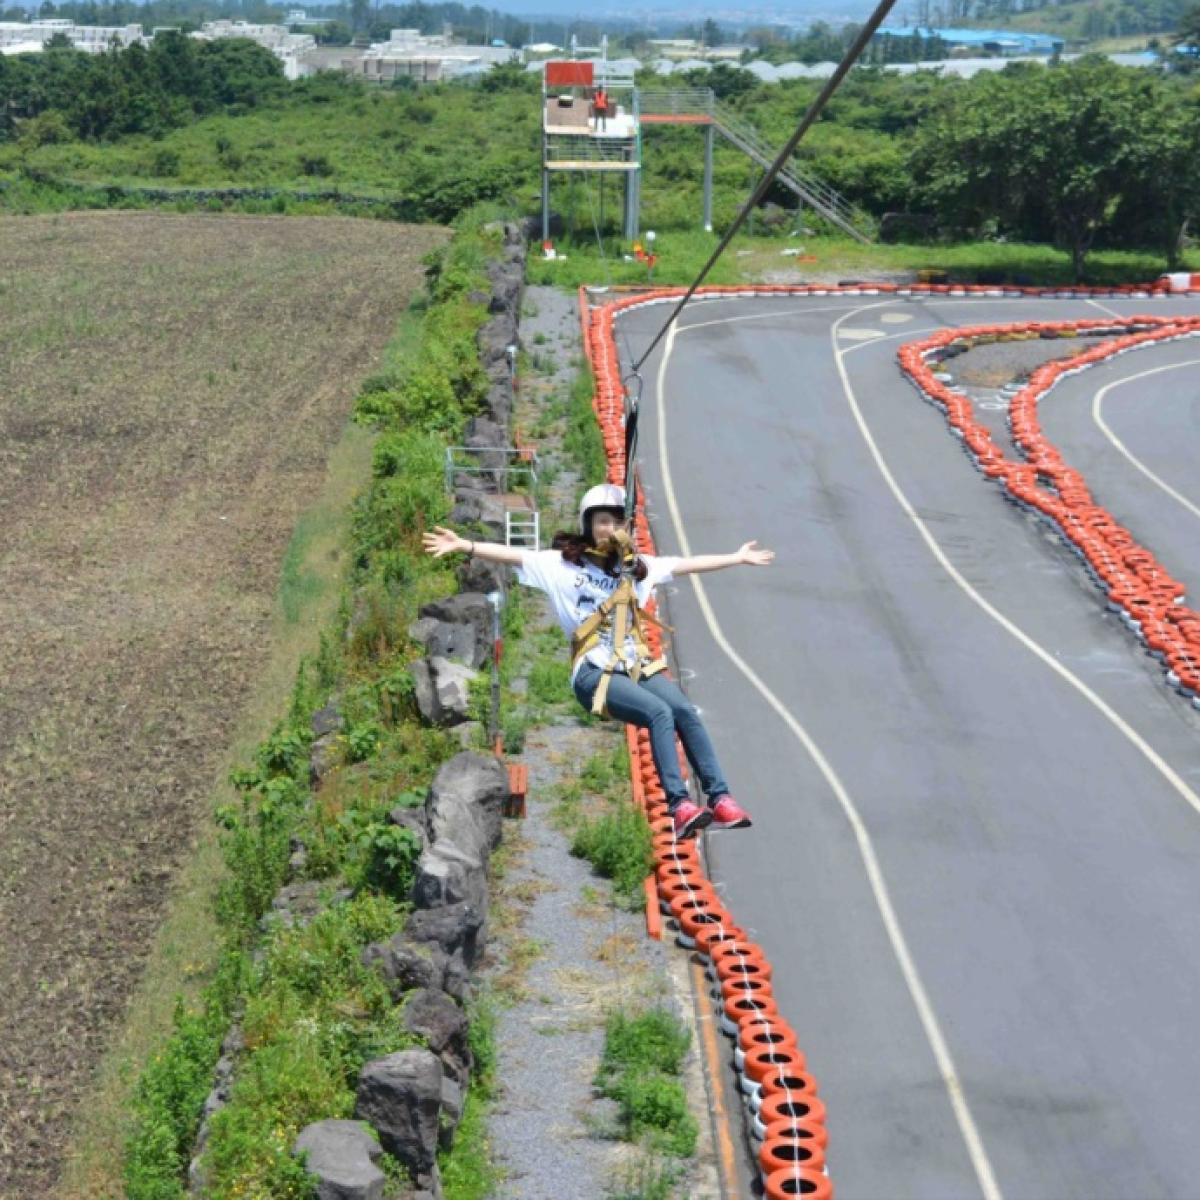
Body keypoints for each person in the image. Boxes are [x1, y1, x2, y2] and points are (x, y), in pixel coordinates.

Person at [422, 483, 775, 839]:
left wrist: (736, 557)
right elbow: (513, 555)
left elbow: (687, 565)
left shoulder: (639, 570)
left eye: (617, 523)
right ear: (589, 524)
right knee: (659, 713)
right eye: (602, 521)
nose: (609, 529)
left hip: (634, 667)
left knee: (683, 710)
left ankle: (720, 797)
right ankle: (679, 804)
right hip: (593, 674)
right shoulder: (560, 566)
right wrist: (464, 544)